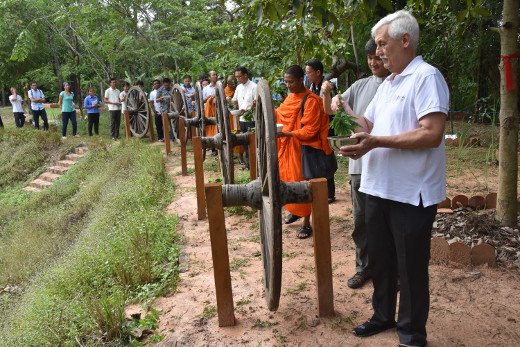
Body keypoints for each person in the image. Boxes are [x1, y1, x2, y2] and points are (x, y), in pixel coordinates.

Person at [340, 11, 449, 347]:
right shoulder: (388, 84)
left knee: (411, 267)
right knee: (382, 262)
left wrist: (375, 143)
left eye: (383, 44)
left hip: (409, 193)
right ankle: (383, 316)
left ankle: (412, 333)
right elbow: (368, 126)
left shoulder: (426, 77)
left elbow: (431, 134)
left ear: (405, 40)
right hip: (376, 187)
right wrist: (340, 113)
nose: (379, 50)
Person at [322, 39, 391, 290]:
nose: (374, 62)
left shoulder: (397, 85)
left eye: (378, 57)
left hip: (388, 164)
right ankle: (363, 268)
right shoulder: (359, 86)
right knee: (361, 220)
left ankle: (387, 270)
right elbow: (332, 111)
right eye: (370, 58)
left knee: (388, 221)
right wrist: (328, 94)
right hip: (360, 167)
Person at [276, 65, 333, 239]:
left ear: (302, 80)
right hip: (289, 147)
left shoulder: (311, 101)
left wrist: (287, 133)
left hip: (305, 149)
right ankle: (296, 210)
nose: (288, 85)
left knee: (304, 183)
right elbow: (280, 114)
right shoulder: (290, 98)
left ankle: (306, 223)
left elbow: (311, 131)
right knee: (288, 179)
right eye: (286, 82)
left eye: (291, 82)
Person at [305, 59, 336, 203]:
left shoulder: (328, 86)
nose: (307, 75)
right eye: (306, 73)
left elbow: (333, 109)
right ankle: (319, 187)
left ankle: (330, 193)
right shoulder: (310, 87)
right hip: (315, 129)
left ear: (318, 72)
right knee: (319, 158)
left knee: (327, 158)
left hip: (328, 128)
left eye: (309, 72)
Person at [232, 66, 257, 169]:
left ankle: (254, 164)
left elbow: (256, 103)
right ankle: (248, 164)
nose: (238, 79)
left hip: (252, 119)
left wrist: (247, 110)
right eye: (236, 77)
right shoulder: (238, 87)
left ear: (246, 75)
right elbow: (234, 100)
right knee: (244, 142)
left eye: (239, 76)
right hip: (241, 119)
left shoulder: (254, 87)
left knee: (252, 143)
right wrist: (232, 103)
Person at [203, 71, 218, 154]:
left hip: (219, 110)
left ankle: (219, 147)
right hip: (209, 111)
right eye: (213, 75)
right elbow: (202, 100)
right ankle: (213, 148)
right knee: (211, 127)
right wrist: (208, 98)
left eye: (216, 74)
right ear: (209, 77)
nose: (215, 76)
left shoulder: (220, 86)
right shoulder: (206, 89)